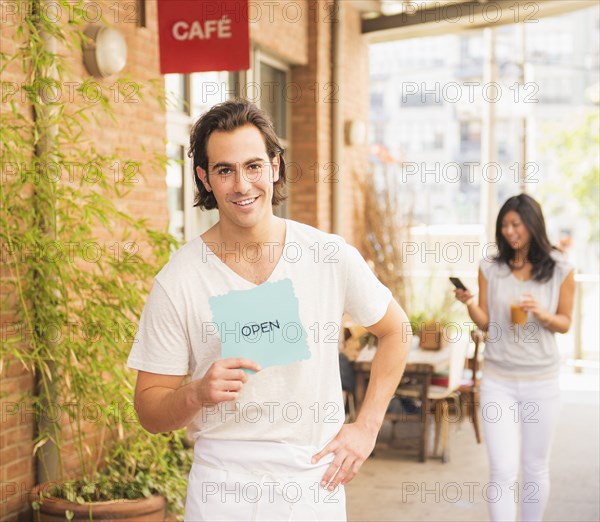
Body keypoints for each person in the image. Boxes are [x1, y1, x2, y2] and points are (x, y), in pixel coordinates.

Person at [127, 99, 411, 521]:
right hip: (223, 486)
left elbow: (397, 331)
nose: (242, 184)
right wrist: (197, 392)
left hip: (313, 479)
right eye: (225, 170)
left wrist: (367, 426)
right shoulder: (179, 279)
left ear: (275, 166)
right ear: (205, 178)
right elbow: (149, 410)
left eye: (253, 166)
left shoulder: (327, 255)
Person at [455, 194, 575, 522]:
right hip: (498, 380)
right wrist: (469, 303)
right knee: (502, 469)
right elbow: (488, 324)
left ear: (532, 224)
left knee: (535, 467)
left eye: (515, 224)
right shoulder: (490, 267)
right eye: (504, 225)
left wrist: (542, 314)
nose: (509, 231)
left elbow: (565, 323)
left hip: (542, 381)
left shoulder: (560, 267)